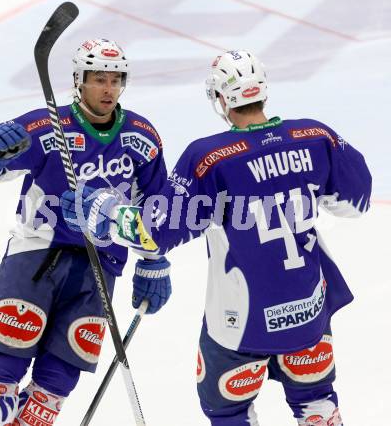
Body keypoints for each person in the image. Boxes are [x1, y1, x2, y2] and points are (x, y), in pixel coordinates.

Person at [61, 50, 372, 426]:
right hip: (308, 314)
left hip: (240, 326)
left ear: (223, 100)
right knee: (318, 404)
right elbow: (357, 202)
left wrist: (104, 209)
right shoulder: (315, 136)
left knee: (228, 411)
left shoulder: (210, 157)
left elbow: (153, 234)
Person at [0, 38, 172, 425]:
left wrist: (154, 260)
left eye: (116, 80)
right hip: (36, 255)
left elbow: (158, 208)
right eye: (99, 79)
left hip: (100, 268)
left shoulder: (141, 137)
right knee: (3, 366)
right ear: (79, 80)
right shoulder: (45, 126)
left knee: (57, 382)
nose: (109, 89)